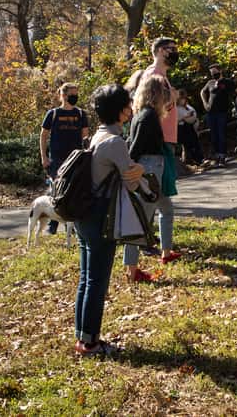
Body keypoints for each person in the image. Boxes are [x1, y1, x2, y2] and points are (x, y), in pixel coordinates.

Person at [74, 84, 144, 356]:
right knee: (97, 280)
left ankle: (83, 336)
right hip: (100, 215)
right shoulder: (115, 142)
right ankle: (91, 342)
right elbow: (132, 183)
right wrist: (139, 169)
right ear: (122, 110)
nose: (131, 108)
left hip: (83, 213)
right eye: (128, 104)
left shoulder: (97, 136)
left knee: (86, 277)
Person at [128, 38, 181, 256]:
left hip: (163, 142)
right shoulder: (154, 75)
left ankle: (164, 249)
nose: (175, 53)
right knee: (148, 200)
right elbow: (150, 109)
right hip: (155, 148)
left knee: (162, 200)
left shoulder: (163, 76)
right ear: (160, 51)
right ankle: (139, 248)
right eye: (171, 49)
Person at [125, 76, 179, 282]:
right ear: (156, 94)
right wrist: (129, 166)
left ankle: (166, 252)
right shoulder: (147, 116)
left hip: (154, 167)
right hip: (149, 169)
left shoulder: (142, 114)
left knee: (166, 208)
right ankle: (131, 270)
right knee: (141, 219)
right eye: (163, 92)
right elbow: (136, 145)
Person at [40, 82, 90, 234]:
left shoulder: (81, 114)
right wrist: (44, 157)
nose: (75, 97)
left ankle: (73, 225)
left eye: (76, 94)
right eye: (72, 94)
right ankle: (53, 225)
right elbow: (43, 136)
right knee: (55, 191)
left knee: (73, 190)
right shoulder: (53, 114)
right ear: (63, 95)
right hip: (57, 159)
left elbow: (86, 137)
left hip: (75, 160)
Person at [200, 64, 237, 168]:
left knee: (221, 134)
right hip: (211, 113)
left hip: (222, 113)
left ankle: (222, 156)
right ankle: (216, 156)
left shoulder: (227, 82)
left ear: (220, 71)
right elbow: (202, 92)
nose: (213, 74)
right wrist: (205, 103)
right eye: (211, 73)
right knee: (213, 135)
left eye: (214, 72)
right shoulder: (210, 83)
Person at [176, 89, 204, 165]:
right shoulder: (176, 108)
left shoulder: (187, 107)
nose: (183, 100)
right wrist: (185, 117)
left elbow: (194, 115)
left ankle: (199, 159)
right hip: (181, 128)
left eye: (184, 98)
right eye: (181, 99)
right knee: (188, 144)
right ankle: (191, 160)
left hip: (191, 127)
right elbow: (176, 121)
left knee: (195, 143)